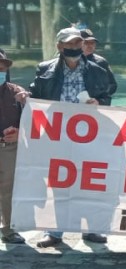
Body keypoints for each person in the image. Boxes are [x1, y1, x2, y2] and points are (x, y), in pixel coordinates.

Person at [30, 27, 112, 248]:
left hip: (88, 136)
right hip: (57, 136)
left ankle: (91, 230)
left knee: (88, 183)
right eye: (70, 44)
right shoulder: (45, 69)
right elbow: (35, 98)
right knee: (60, 184)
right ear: (60, 46)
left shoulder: (97, 70)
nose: (75, 48)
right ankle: (55, 233)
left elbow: (106, 97)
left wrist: (100, 103)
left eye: (78, 44)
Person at [0, 49, 30, 244]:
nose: (0, 71)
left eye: (2, 67)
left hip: (9, 149)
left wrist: (27, 102)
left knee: (8, 191)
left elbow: (34, 119)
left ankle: (9, 231)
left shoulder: (16, 92)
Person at [81, 29, 118, 97]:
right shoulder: (71, 61)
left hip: (95, 104)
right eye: (86, 42)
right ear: (79, 44)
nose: (90, 45)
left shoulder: (101, 62)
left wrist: (100, 97)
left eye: (92, 43)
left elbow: (112, 85)